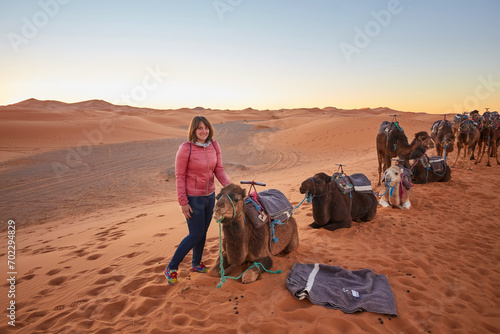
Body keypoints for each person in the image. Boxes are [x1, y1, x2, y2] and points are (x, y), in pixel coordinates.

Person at [165, 115, 230, 285]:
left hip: (210, 196)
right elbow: (179, 176)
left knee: (203, 233)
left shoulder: (214, 145)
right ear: (193, 130)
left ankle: (196, 264)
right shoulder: (186, 148)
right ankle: (171, 267)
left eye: (206, 127)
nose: (204, 131)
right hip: (193, 198)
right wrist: (183, 202)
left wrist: (229, 187)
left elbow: (219, 170)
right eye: (200, 128)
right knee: (195, 234)